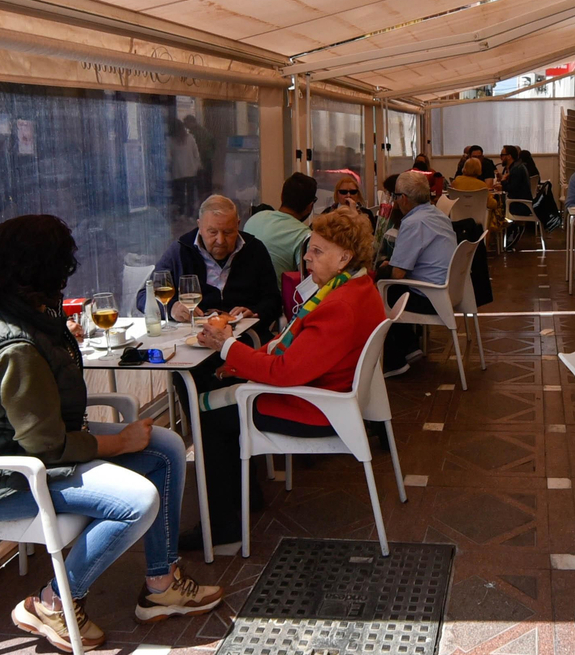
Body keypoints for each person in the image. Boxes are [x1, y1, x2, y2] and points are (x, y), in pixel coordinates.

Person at [0, 215, 223, 654]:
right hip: (5, 479)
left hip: (33, 450)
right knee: (138, 500)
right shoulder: (15, 345)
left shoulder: (9, 305)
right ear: (46, 270)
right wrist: (119, 443)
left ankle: (161, 584)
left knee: (167, 447)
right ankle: (55, 601)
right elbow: (47, 445)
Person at [186, 209, 387, 548]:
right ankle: (243, 497)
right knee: (216, 390)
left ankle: (223, 526)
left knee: (210, 416)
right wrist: (235, 360)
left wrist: (228, 349)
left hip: (315, 407)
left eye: (318, 251)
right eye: (311, 248)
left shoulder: (340, 305)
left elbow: (284, 371)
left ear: (344, 258)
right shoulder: (358, 287)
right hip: (327, 394)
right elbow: (293, 351)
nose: (307, 257)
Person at [139, 195, 282, 341]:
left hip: (245, 338)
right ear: (199, 226)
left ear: (237, 225)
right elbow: (144, 295)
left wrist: (256, 312)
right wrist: (172, 308)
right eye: (212, 232)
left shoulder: (254, 249)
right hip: (194, 340)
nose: (220, 240)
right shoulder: (181, 250)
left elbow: (274, 300)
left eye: (228, 232)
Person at [379, 170, 457, 376]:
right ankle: (410, 346)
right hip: (450, 290)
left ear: (403, 199)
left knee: (380, 291)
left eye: (395, 197)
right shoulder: (437, 215)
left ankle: (394, 361)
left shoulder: (413, 223)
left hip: (431, 297)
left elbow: (397, 275)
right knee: (392, 286)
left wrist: (385, 267)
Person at [244, 173, 316, 278]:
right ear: (310, 206)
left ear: (282, 197)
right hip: (276, 293)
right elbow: (307, 281)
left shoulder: (255, 218)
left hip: (242, 292)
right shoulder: (304, 236)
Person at [167, 118, 202, 217]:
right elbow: (196, 154)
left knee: (180, 194)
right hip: (191, 171)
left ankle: (181, 212)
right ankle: (190, 214)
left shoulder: (170, 140)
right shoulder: (190, 138)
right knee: (191, 194)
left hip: (178, 172)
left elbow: (168, 157)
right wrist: (196, 166)